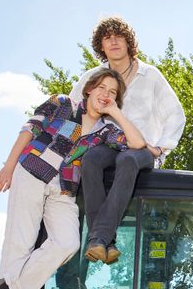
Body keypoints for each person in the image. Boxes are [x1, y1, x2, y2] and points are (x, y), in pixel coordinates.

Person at [0, 69, 148, 289]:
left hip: (64, 189)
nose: (105, 94)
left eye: (113, 92)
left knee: (68, 242)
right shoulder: (62, 104)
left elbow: (138, 144)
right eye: (102, 88)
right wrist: (9, 165)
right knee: (21, 242)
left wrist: (116, 113)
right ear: (89, 89)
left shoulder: (106, 132)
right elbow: (29, 130)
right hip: (33, 173)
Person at [69, 17, 186, 264]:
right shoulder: (92, 78)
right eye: (107, 38)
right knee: (89, 160)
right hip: (106, 143)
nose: (113, 41)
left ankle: (98, 238)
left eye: (118, 36)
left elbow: (176, 114)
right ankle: (104, 243)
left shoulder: (150, 75)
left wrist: (160, 148)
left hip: (140, 149)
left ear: (128, 42)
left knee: (128, 159)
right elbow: (73, 112)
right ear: (101, 46)